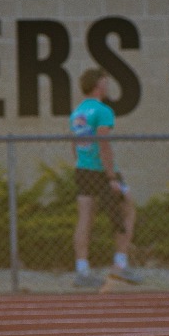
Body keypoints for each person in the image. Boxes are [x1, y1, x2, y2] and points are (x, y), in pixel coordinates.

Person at [70, 68, 140, 287]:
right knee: (127, 209)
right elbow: (104, 143)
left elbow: (74, 144)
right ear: (98, 85)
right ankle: (120, 264)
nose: (108, 86)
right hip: (102, 171)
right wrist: (111, 176)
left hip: (83, 170)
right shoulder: (103, 111)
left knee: (85, 218)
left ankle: (82, 269)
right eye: (105, 82)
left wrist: (81, 164)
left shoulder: (78, 112)